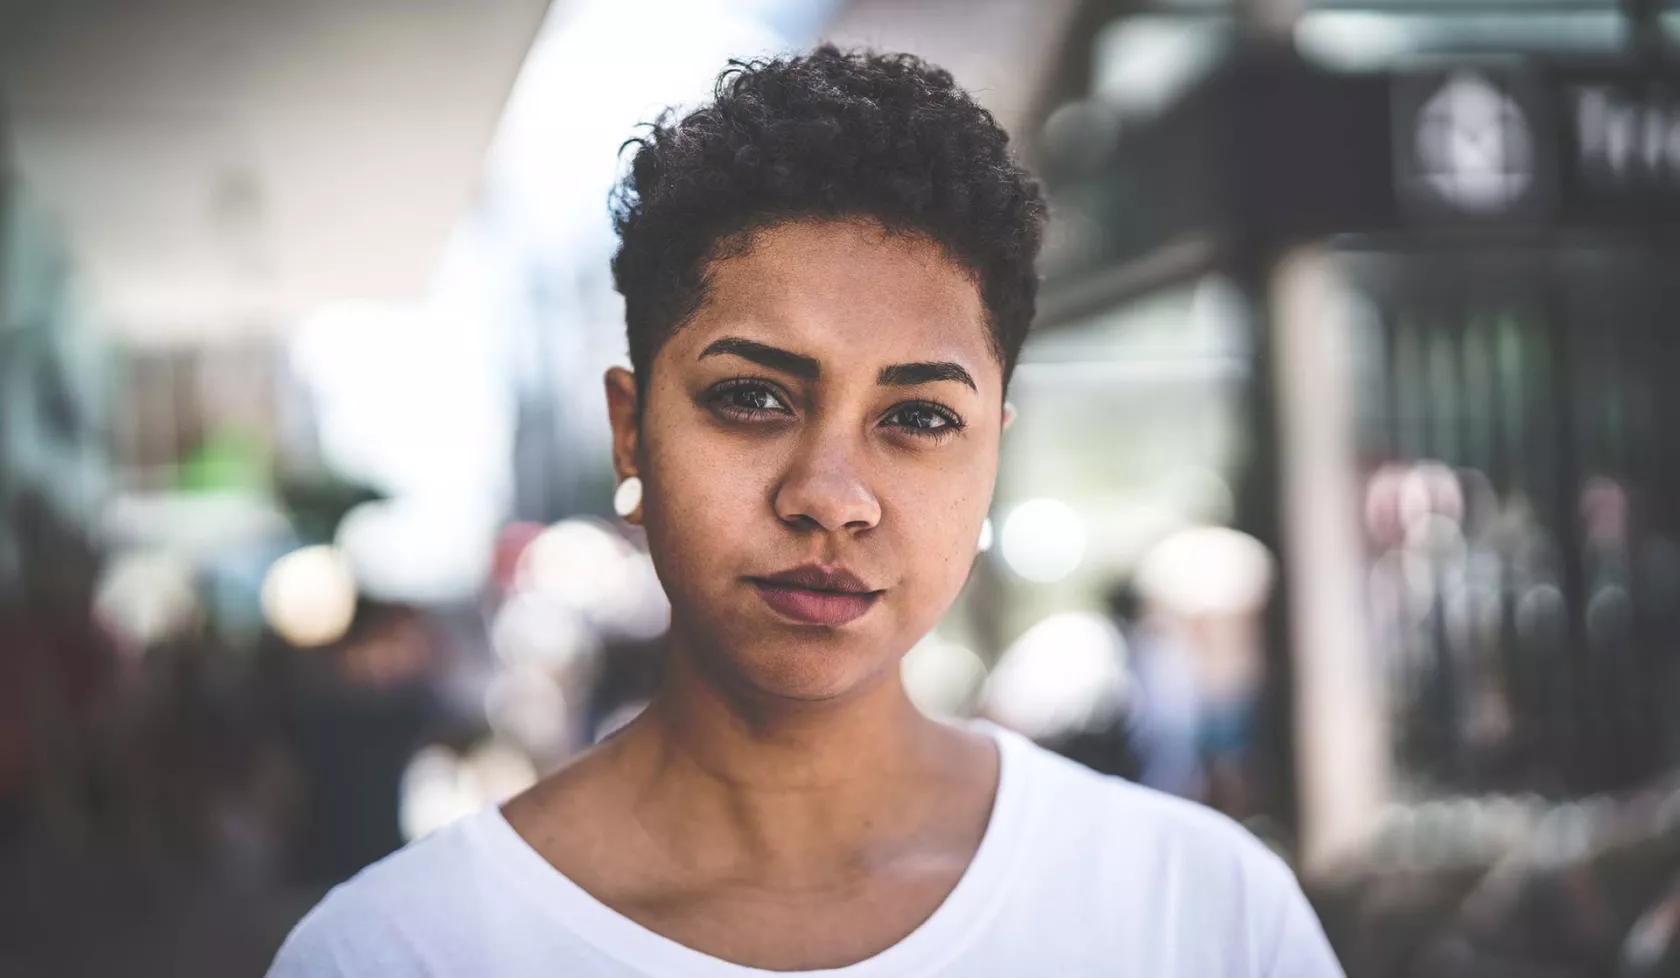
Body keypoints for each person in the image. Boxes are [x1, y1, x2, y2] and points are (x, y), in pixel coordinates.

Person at [267, 46, 1343, 977]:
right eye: (752, 398)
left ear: (991, 459)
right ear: (630, 430)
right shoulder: (402, 952)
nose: (830, 496)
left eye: (919, 416)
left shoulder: (1201, 916)